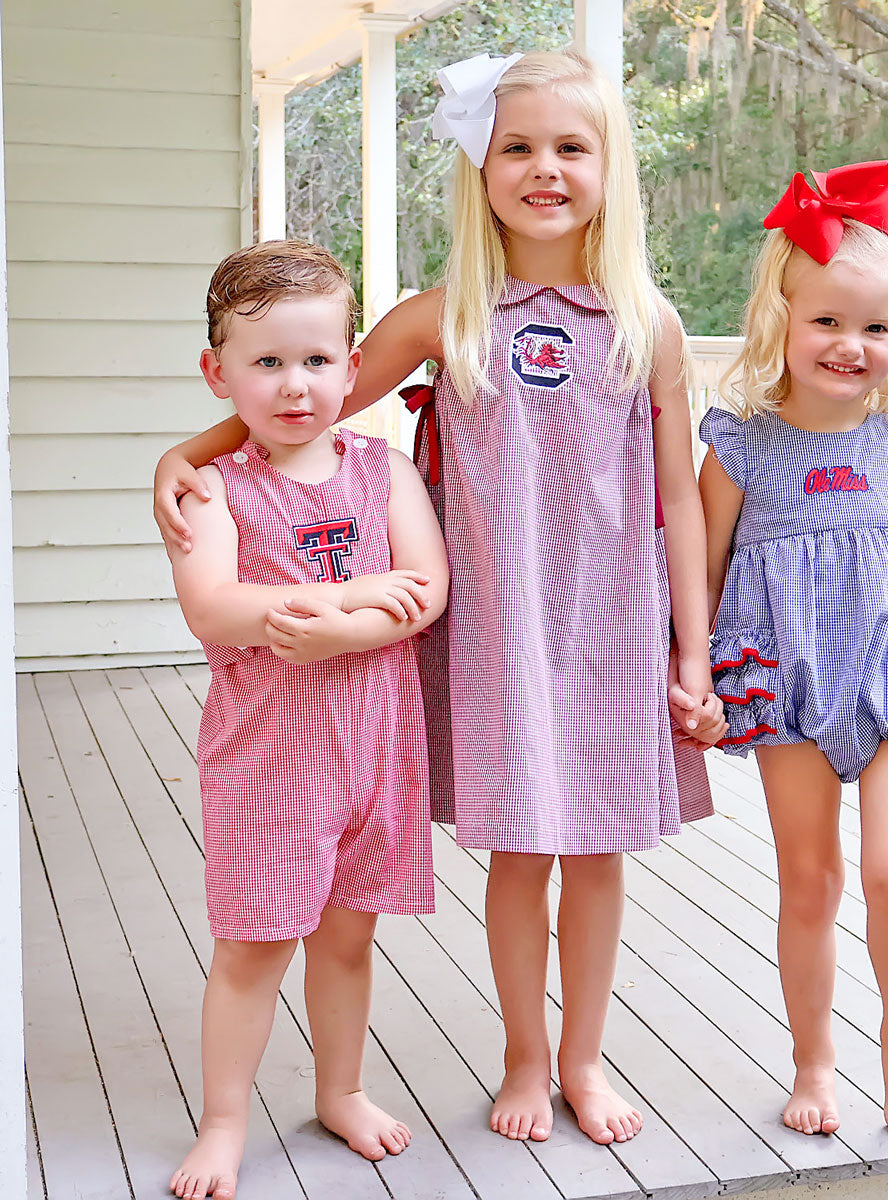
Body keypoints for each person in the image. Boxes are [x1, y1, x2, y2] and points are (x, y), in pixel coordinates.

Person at [153, 51, 724, 1149]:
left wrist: (689, 654)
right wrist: (186, 452)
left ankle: (583, 1059)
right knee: (520, 852)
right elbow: (307, 402)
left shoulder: (645, 323)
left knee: (596, 853)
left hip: (608, 626)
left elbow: (681, 504)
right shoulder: (442, 314)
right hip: (497, 630)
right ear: (481, 165)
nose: (543, 169)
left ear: (612, 167)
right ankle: (520, 1056)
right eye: (516, 146)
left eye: (570, 147)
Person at [698, 161, 888, 1142]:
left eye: (875, 327)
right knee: (810, 879)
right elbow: (702, 560)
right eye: (827, 321)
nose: (849, 345)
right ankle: (813, 1059)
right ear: (783, 313)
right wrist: (693, 673)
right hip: (786, 677)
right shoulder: (743, 440)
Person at [166, 240, 448, 1200]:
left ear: (352, 364)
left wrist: (336, 626)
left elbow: (427, 589)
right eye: (267, 362)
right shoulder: (214, 489)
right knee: (254, 945)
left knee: (346, 938)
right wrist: (360, 601)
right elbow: (215, 606)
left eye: (318, 360)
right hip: (269, 764)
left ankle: (342, 1089)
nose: (296, 386)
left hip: (373, 753)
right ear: (219, 372)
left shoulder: (383, 470)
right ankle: (224, 1121)